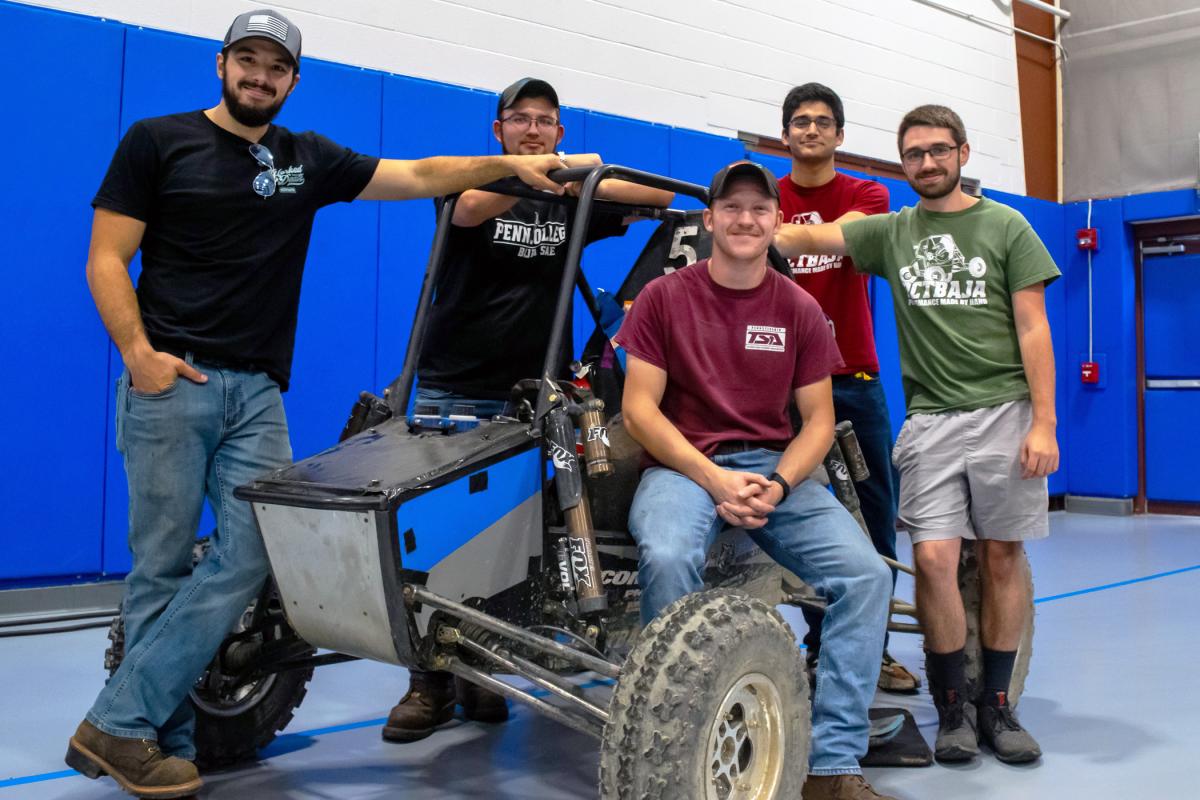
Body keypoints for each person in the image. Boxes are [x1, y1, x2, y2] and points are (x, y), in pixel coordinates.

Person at [66, 11, 569, 798]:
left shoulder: (307, 159)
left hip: (259, 389)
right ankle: (151, 734)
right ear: (223, 64)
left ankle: (118, 722)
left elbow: (418, 174)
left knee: (260, 552)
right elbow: (106, 256)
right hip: (173, 381)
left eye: (276, 67)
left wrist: (505, 163)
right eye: (248, 61)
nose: (259, 76)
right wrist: (140, 356)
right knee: (160, 566)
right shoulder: (156, 141)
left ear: (293, 81)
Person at [383, 77, 673, 743]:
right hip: (453, 388)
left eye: (546, 121)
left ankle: (478, 672)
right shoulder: (470, 182)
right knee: (434, 536)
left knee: (512, 544)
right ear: (498, 130)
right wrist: (542, 176)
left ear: (560, 132)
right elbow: (471, 209)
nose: (533, 129)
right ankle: (427, 684)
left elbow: (656, 196)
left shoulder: (571, 197)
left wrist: (583, 175)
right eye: (520, 120)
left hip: (535, 396)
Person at [775, 104, 1059, 765]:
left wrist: (1044, 422)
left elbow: (1033, 328)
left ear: (962, 152)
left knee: (1000, 558)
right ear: (902, 164)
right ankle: (953, 709)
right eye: (914, 155)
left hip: (1005, 410)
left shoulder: (1006, 226)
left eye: (938, 151)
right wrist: (731, 220)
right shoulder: (892, 232)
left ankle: (998, 707)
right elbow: (803, 242)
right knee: (932, 560)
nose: (927, 163)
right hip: (930, 419)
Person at [618, 160, 895, 800]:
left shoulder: (797, 308)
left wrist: (778, 484)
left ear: (776, 222)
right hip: (683, 467)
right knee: (667, 554)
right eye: (732, 208)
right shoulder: (664, 298)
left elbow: (819, 421)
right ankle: (674, 745)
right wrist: (713, 477)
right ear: (709, 219)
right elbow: (639, 411)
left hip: (776, 468)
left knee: (867, 575)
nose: (746, 220)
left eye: (759, 209)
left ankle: (831, 766)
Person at [777, 82, 918, 693]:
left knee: (873, 518)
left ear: (839, 134)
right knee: (808, 522)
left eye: (823, 122)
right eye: (800, 121)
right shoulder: (766, 194)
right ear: (785, 134)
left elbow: (843, 237)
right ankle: (817, 648)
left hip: (852, 379)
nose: (811, 130)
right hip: (776, 387)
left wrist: (776, 234)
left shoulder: (867, 192)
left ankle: (872, 649)